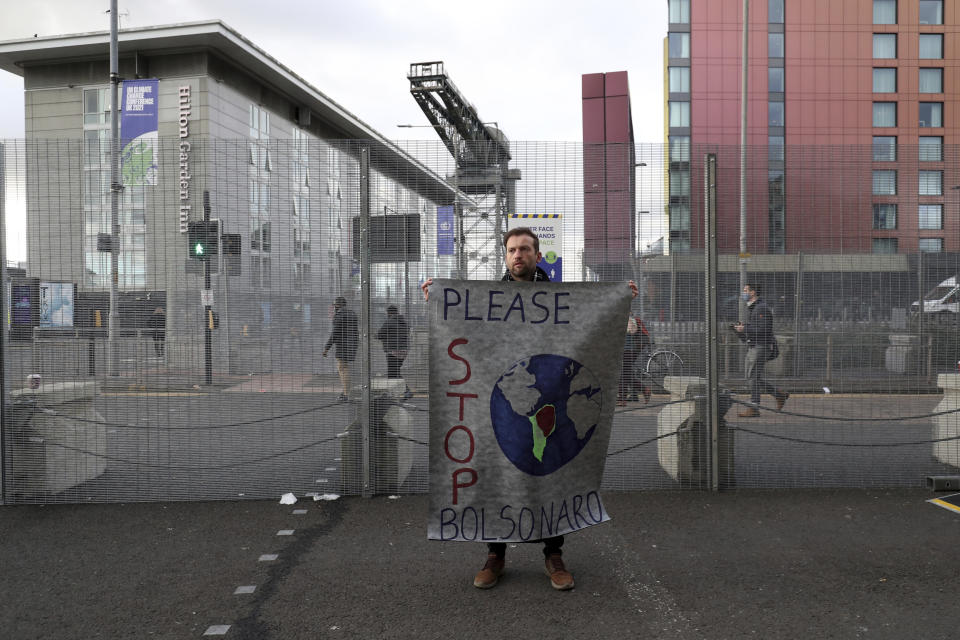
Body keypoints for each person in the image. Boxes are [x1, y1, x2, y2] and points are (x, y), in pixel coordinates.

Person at [421, 227, 638, 592]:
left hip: (551, 398)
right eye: (511, 250)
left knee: (551, 469)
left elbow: (594, 321)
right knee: (497, 473)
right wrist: (437, 298)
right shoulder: (487, 299)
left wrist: (619, 299)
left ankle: (554, 554)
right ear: (505, 257)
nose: (517, 255)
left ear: (538, 256)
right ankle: (495, 554)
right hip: (506, 400)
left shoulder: (561, 298)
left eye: (524, 249)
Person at [733, 284, 789, 417]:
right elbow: (758, 327)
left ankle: (754, 407)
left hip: (760, 346)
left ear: (753, 292)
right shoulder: (755, 308)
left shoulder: (761, 308)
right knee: (752, 377)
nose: (743, 293)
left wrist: (744, 329)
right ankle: (779, 394)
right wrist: (744, 328)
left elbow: (764, 330)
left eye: (746, 290)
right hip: (755, 345)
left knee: (752, 377)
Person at [322, 296, 359, 402]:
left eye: (334, 306)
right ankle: (346, 392)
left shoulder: (339, 316)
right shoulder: (352, 314)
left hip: (343, 345)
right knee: (345, 368)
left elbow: (335, 334)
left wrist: (326, 348)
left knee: (343, 369)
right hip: (353, 344)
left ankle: (346, 394)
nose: (334, 308)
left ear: (337, 306)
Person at [376, 305, 412, 398]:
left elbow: (379, 335)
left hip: (393, 351)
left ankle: (404, 392)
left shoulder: (389, 322)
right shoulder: (404, 322)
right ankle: (401, 392)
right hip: (404, 351)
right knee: (395, 371)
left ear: (388, 313)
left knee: (393, 373)